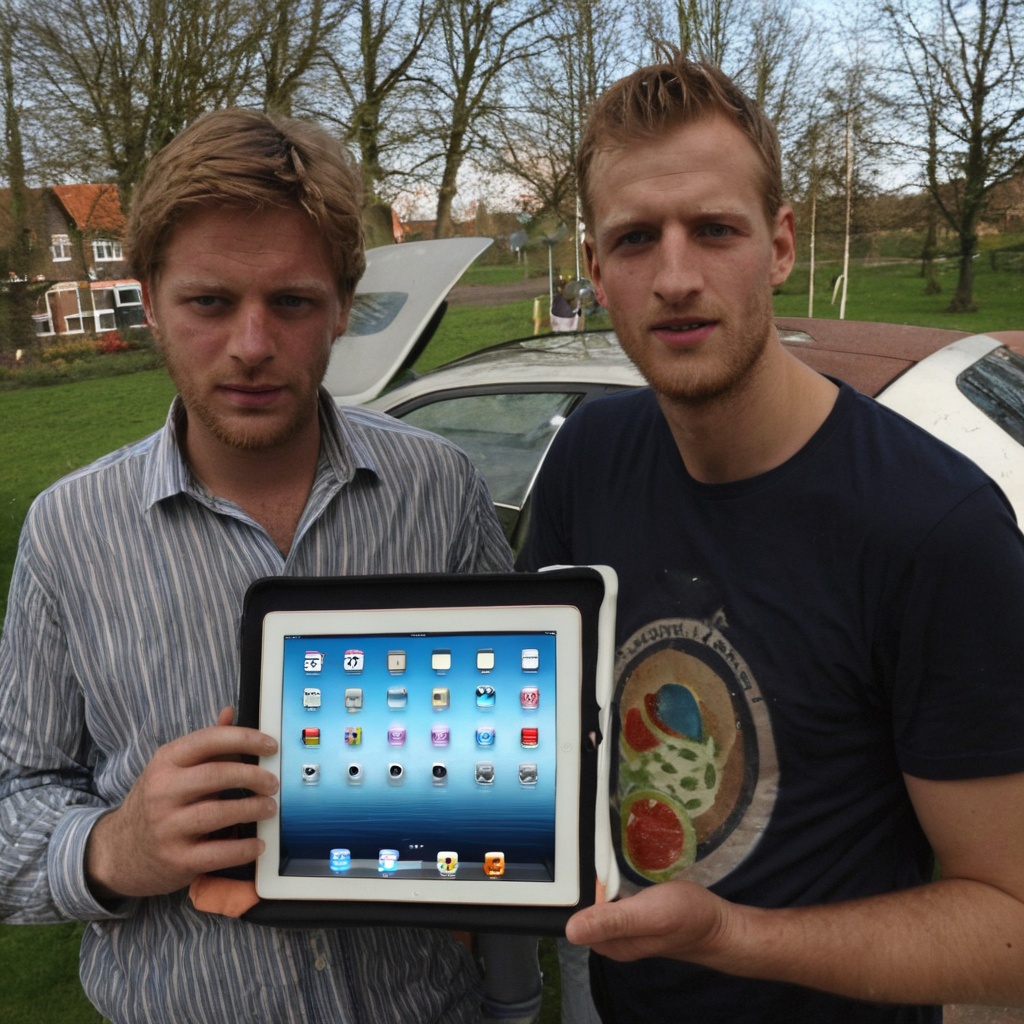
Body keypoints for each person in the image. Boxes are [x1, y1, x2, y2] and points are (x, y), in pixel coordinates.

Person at [0, 108, 540, 1024]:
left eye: (291, 302)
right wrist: (114, 848)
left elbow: (517, 748)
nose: (252, 344)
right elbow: (15, 798)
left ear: (343, 305)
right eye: (209, 302)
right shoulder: (67, 532)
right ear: (150, 300)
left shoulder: (439, 489)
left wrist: (509, 991)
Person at [517, 51, 1024, 1023]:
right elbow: (548, 734)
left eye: (715, 230)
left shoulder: (936, 530)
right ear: (596, 270)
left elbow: (1009, 930)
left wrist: (730, 937)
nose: (675, 278)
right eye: (635, 239)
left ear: (781, 244)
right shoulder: (587, 458)